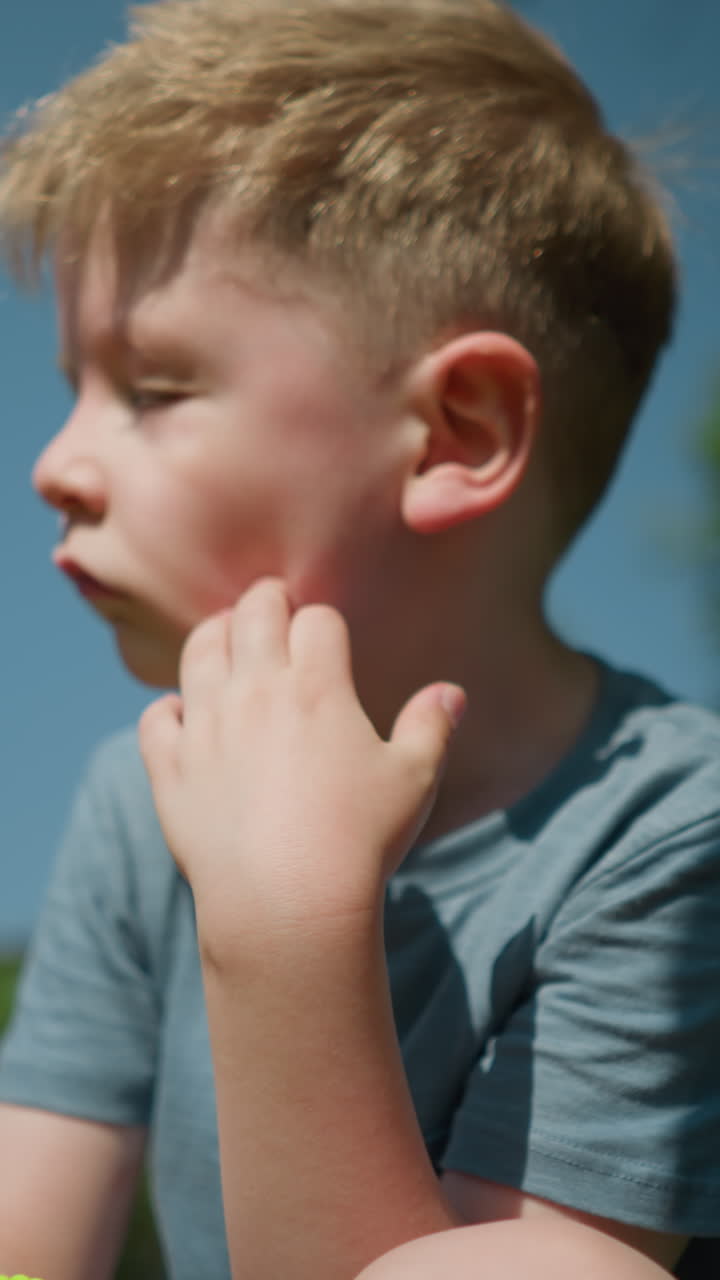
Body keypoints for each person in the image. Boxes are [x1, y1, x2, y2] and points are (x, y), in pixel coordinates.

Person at [0, 1, 718, 1277]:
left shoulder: (673, 839)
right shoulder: (142, 793)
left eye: (153, 388)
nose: (56, 464)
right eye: (72, 392)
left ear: (457, 430)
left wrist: (278, 927)